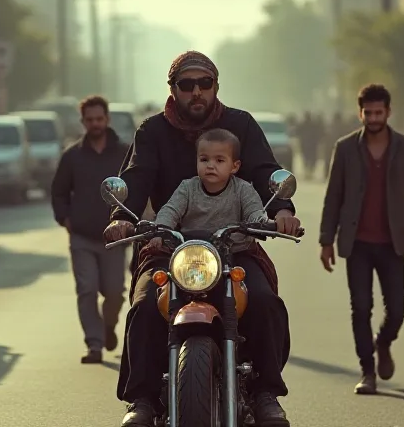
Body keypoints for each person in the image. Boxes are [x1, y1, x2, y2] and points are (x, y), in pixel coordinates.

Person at [104, 50, 301, 427]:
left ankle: (265, 393)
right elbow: (137, 177)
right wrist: (121, 218)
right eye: (187, 84)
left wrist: (283, 212)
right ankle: (142, 400)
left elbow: (265, 171)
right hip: (169, 245)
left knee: (264, 301)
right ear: (173, 89)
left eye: (204, 84)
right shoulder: (152, 130)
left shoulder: (240, 125)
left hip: (234, 247)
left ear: (215, 86)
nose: (196, 92)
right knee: (145, 306)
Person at [319, 84, 404, 394]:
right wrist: (326, 240)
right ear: (360, 113)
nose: (372, 118)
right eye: (367, 113)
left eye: (378, 112)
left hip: (392, 242)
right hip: (357, 243)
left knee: (397, 308)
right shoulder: (344, 149)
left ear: (388, 112)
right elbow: (334, 197)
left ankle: (383, 343)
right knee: (361, 307)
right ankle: (367, 371)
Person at [51, 95, 130, 365]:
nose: (95, 124)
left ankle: (108, 326)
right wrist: (66, 219)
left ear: (107, 119)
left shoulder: (124, 153)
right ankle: (94, 344)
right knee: (86, 289)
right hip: (82, 237)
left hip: (115, 238)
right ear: (83, 122)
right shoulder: (72, 156)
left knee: (115, 292)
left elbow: (138, 190)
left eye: (99, 119)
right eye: (89, 120)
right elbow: (59, 193)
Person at [147, 128, 270, 252]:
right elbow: (170, 210)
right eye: (204, 159)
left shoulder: (243, 189)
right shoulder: (187, 188)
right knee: (155, 268)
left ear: (234, 166)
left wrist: (261, 222)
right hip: (191, 253)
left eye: (219, 160)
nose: (210, 165)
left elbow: (254, 211)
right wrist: (161, 229)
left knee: (257, 271)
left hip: (237, 252)